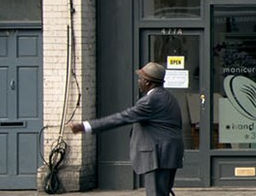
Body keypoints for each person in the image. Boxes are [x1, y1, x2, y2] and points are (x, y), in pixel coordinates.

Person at [68, 62, 184, 196]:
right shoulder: (170, 97)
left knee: (156, 193)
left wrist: (85, 126)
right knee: (162, 192)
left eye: (140, 79)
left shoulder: (149, 101)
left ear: (148, 82)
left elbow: (122, 117)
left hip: (157, 155)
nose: (139, 82)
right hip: (170, 153)